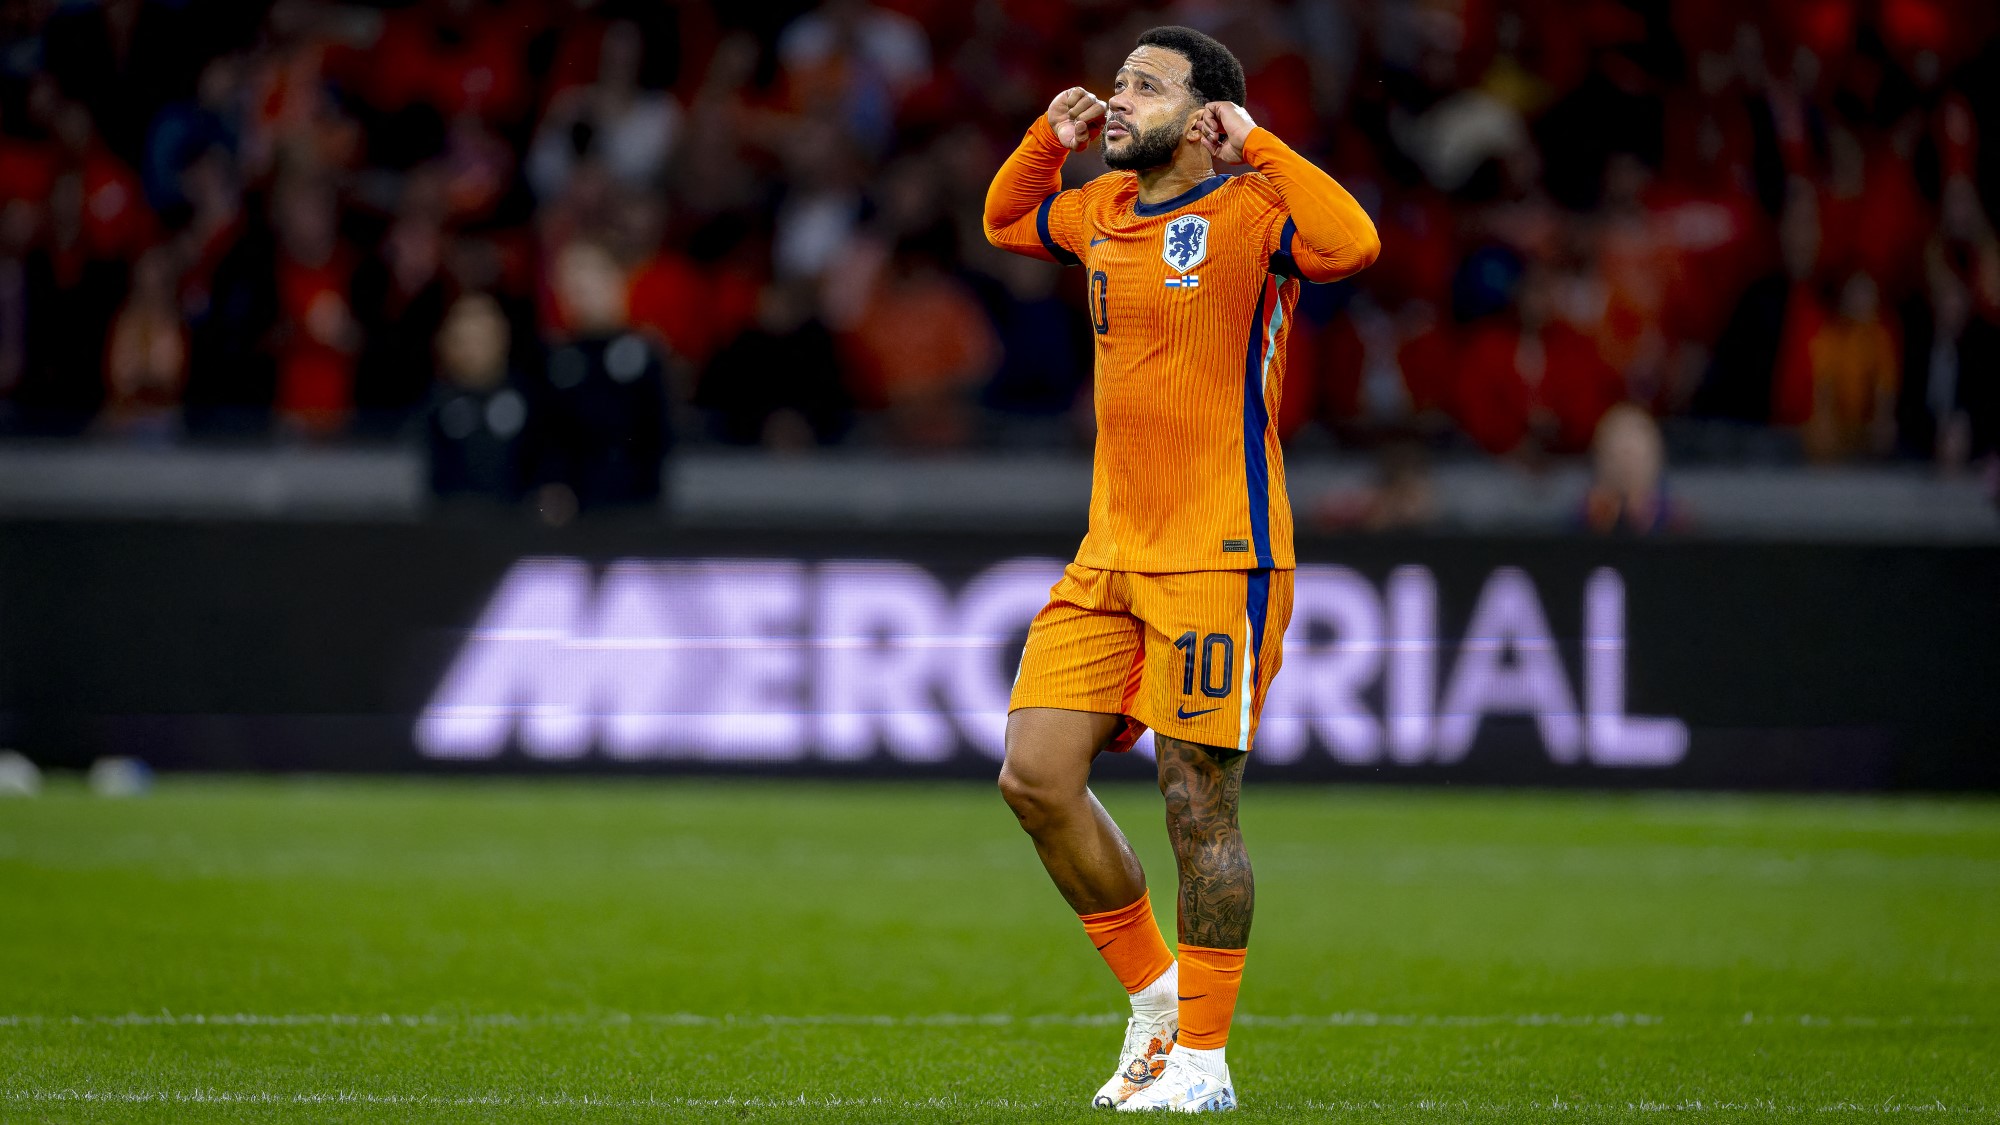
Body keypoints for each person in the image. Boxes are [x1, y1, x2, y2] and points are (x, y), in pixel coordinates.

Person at [982, 26, 1379, 1113]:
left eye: (1145, 86)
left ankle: (1202, 1063)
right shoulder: (1101, 208)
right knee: (1033, 777)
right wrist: (1045, 138)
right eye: (1116, 81)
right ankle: (1157, 1000)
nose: (1116, 98)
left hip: (1219, 552)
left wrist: (1260, 143)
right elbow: (1006, 219)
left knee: (1194, 807)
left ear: (1205, 117)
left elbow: (1352, 244)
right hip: (1108, 553)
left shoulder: (1252, 213)